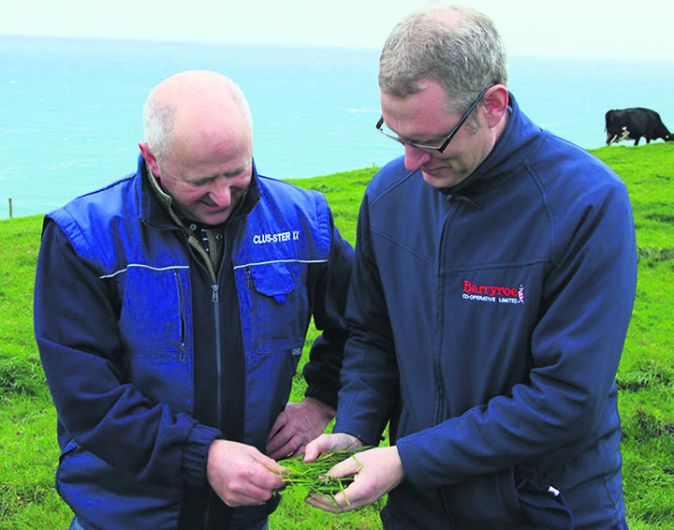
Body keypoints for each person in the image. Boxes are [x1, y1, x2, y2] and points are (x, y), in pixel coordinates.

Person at [305, 5, 637, 530]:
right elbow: (372, 335)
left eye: (429, 140)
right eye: (397, 135)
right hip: (419, 512)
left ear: (493, 104)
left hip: (545, 510)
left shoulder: (587, 203)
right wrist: (357, 428)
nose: (411, 162)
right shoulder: (389, 196)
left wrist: (406, 459)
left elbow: (567, 397)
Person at [34, 70, 353, 530]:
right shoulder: (84, 240)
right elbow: (88, 398)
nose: (222, 196)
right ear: (152, 158)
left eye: (237, 172)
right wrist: (203, 457)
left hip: (244, 517)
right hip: (123, 516)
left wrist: (322, 400)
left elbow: (364, 324)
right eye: (202, 180)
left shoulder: (304, 221)